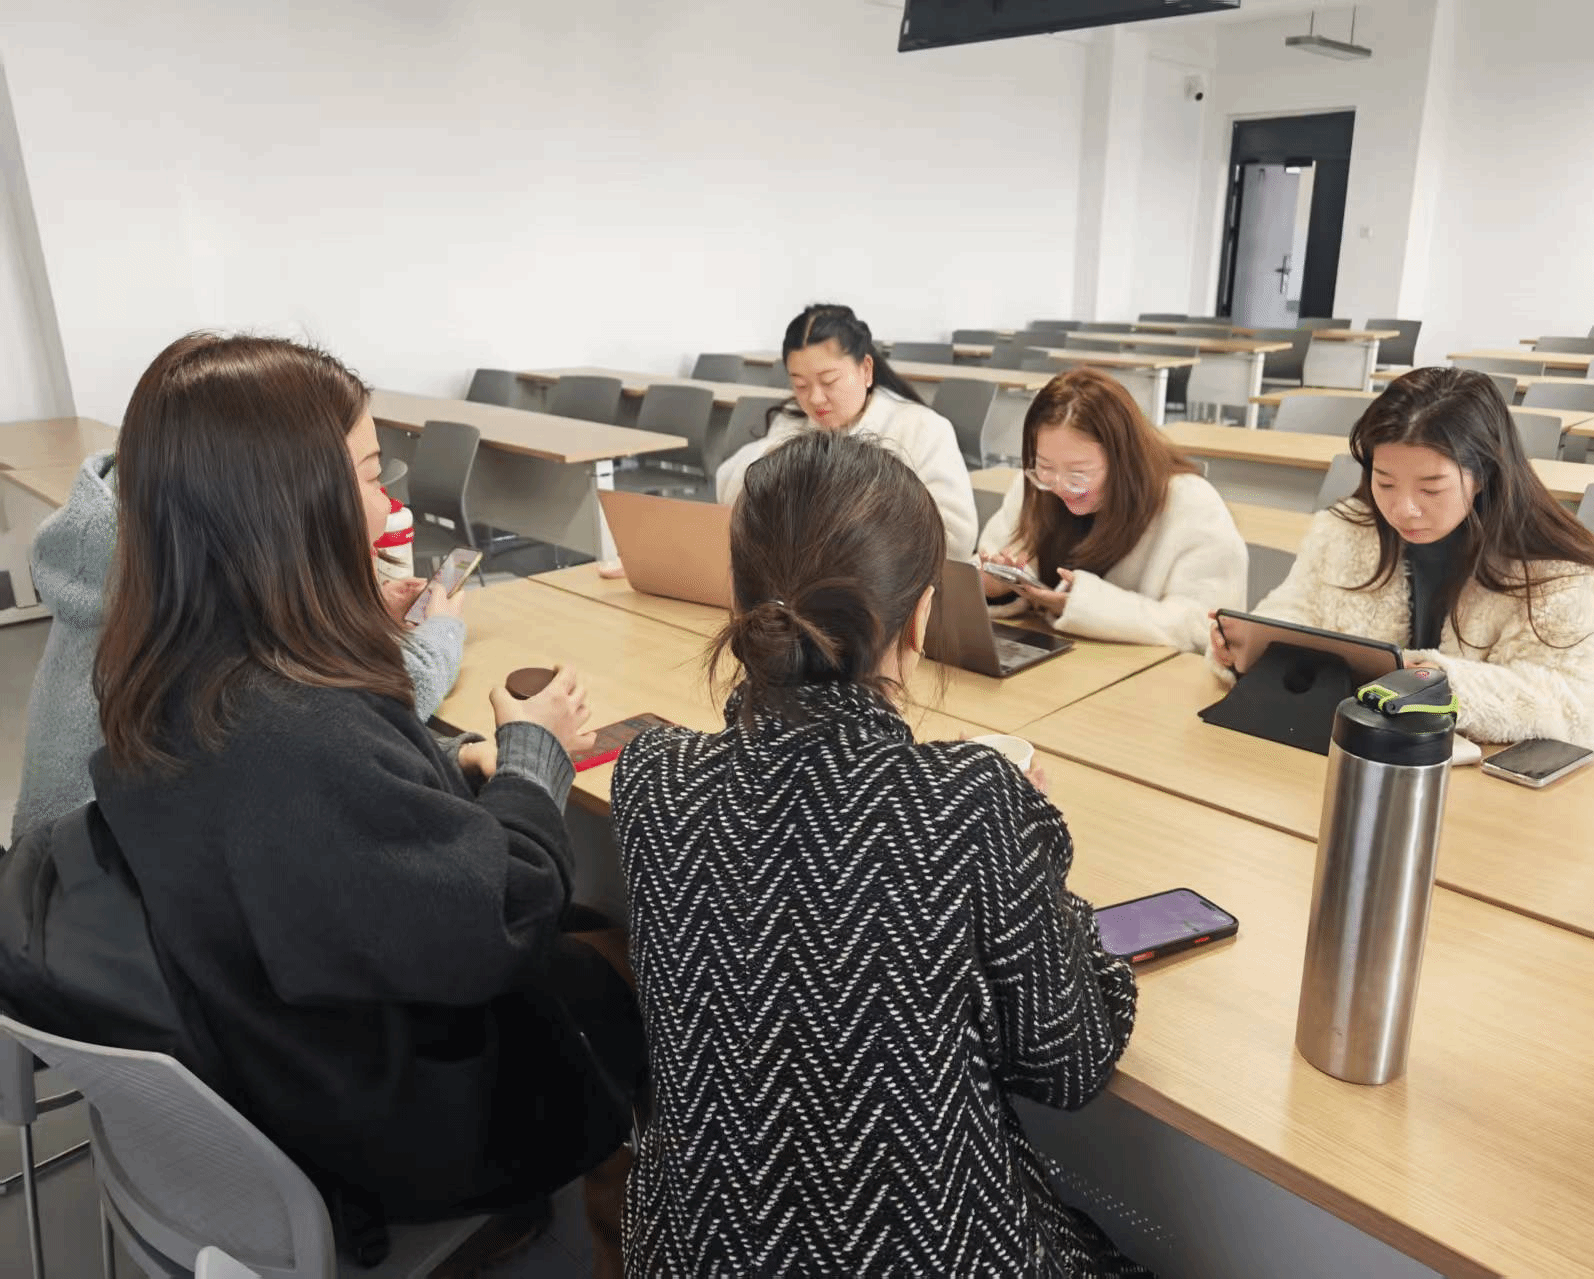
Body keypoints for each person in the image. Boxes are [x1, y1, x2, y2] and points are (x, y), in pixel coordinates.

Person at [72, 334, 643, 1261]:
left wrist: (446, 763)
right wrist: (533, 752)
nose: (390, 506)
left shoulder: (167, 671)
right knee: (641, 964)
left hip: (282, 1063)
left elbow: (341, 809)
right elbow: (504, 918)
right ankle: (621, 1226)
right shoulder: (295, 733)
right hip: (398, 1117)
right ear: (290, 505)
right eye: (374, 476)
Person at [613, 430, 1146, 1277]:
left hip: (694, 1253)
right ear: (922, 617)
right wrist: (1026, 843)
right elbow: (1071, 1061)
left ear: (740, 602)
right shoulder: (972, 800)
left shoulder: (654, 777)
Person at [10, 427, 464, 842]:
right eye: (373, 477)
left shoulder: (137, 541)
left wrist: (351, 612)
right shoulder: (190, 601)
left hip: (66, 872)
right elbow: (327, 731)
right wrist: (437, 639)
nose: (387, 506)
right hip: (120, 882)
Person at [1209, 366, 1594, 748]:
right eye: (1385, 483)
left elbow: (1579, 708)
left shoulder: (1557, 574)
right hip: (1351, 752)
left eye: (1430, 489)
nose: (1403, 509)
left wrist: (1433, 683)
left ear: (1484, 474)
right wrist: (1248, 651)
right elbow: (1296, 614)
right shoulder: (1345, 530)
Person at [979, 366, 1247, 652]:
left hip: (1147, 671)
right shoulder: (1035, 488)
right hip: (1061, 661)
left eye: (1078, 473)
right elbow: (992, 557)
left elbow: (1204, 625)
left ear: (1123, 460)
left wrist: (1084, 607)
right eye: (1045, 466)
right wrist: (995, 588)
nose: (1060, 486)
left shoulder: (1191, 505)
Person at [715, 302, 979, 560]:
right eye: (801, 385)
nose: (815, 398)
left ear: (866, 370)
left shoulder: (921, 428)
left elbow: (956, 539)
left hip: (886, 578)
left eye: (829, 381)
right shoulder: (793, 421)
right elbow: (732, 494)